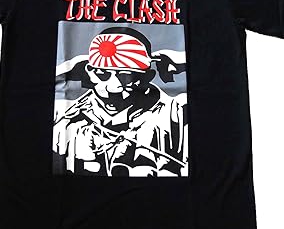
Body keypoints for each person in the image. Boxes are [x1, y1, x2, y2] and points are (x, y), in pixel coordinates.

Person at [53, 26, 188, 177]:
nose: (113, 88)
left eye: (125, 77)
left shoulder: (177, 117)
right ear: (90, 72)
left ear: (147, 77)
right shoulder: (66, 120)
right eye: (102, 74)